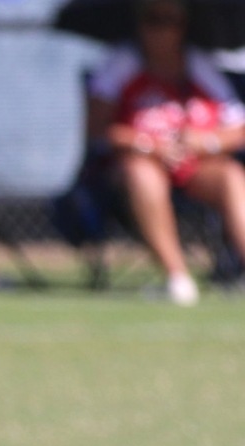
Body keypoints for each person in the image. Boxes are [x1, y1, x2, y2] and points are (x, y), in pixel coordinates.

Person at [88, 0, 245, 306]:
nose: (159, 30)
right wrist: (150, 145)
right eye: (151, 19)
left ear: (182, 26)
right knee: (142, 172)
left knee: (231, 175)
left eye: (167, 20)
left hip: (193, 165)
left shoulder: (199, 66)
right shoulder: (122, 63)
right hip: (136, 167)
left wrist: (205, 142)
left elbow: (238, 128)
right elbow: (98, 130)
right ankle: (178, 278)